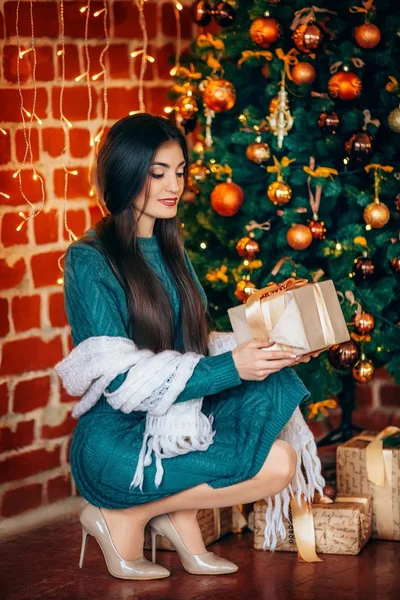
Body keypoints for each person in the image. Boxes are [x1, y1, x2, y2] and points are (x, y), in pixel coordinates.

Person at [60, 113, 321, 581]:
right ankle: (120, 515)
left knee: (280, 449)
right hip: (118, 444)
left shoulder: (171, 248)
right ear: (125, 172)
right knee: (273, 460)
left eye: (180, 171)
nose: (173, 185)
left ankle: (166, 515)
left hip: (177, 425)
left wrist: (269, 349)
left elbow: (195, 347)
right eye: (157, 172)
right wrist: (234, 366)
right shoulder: (88, 260)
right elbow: (122, 379)